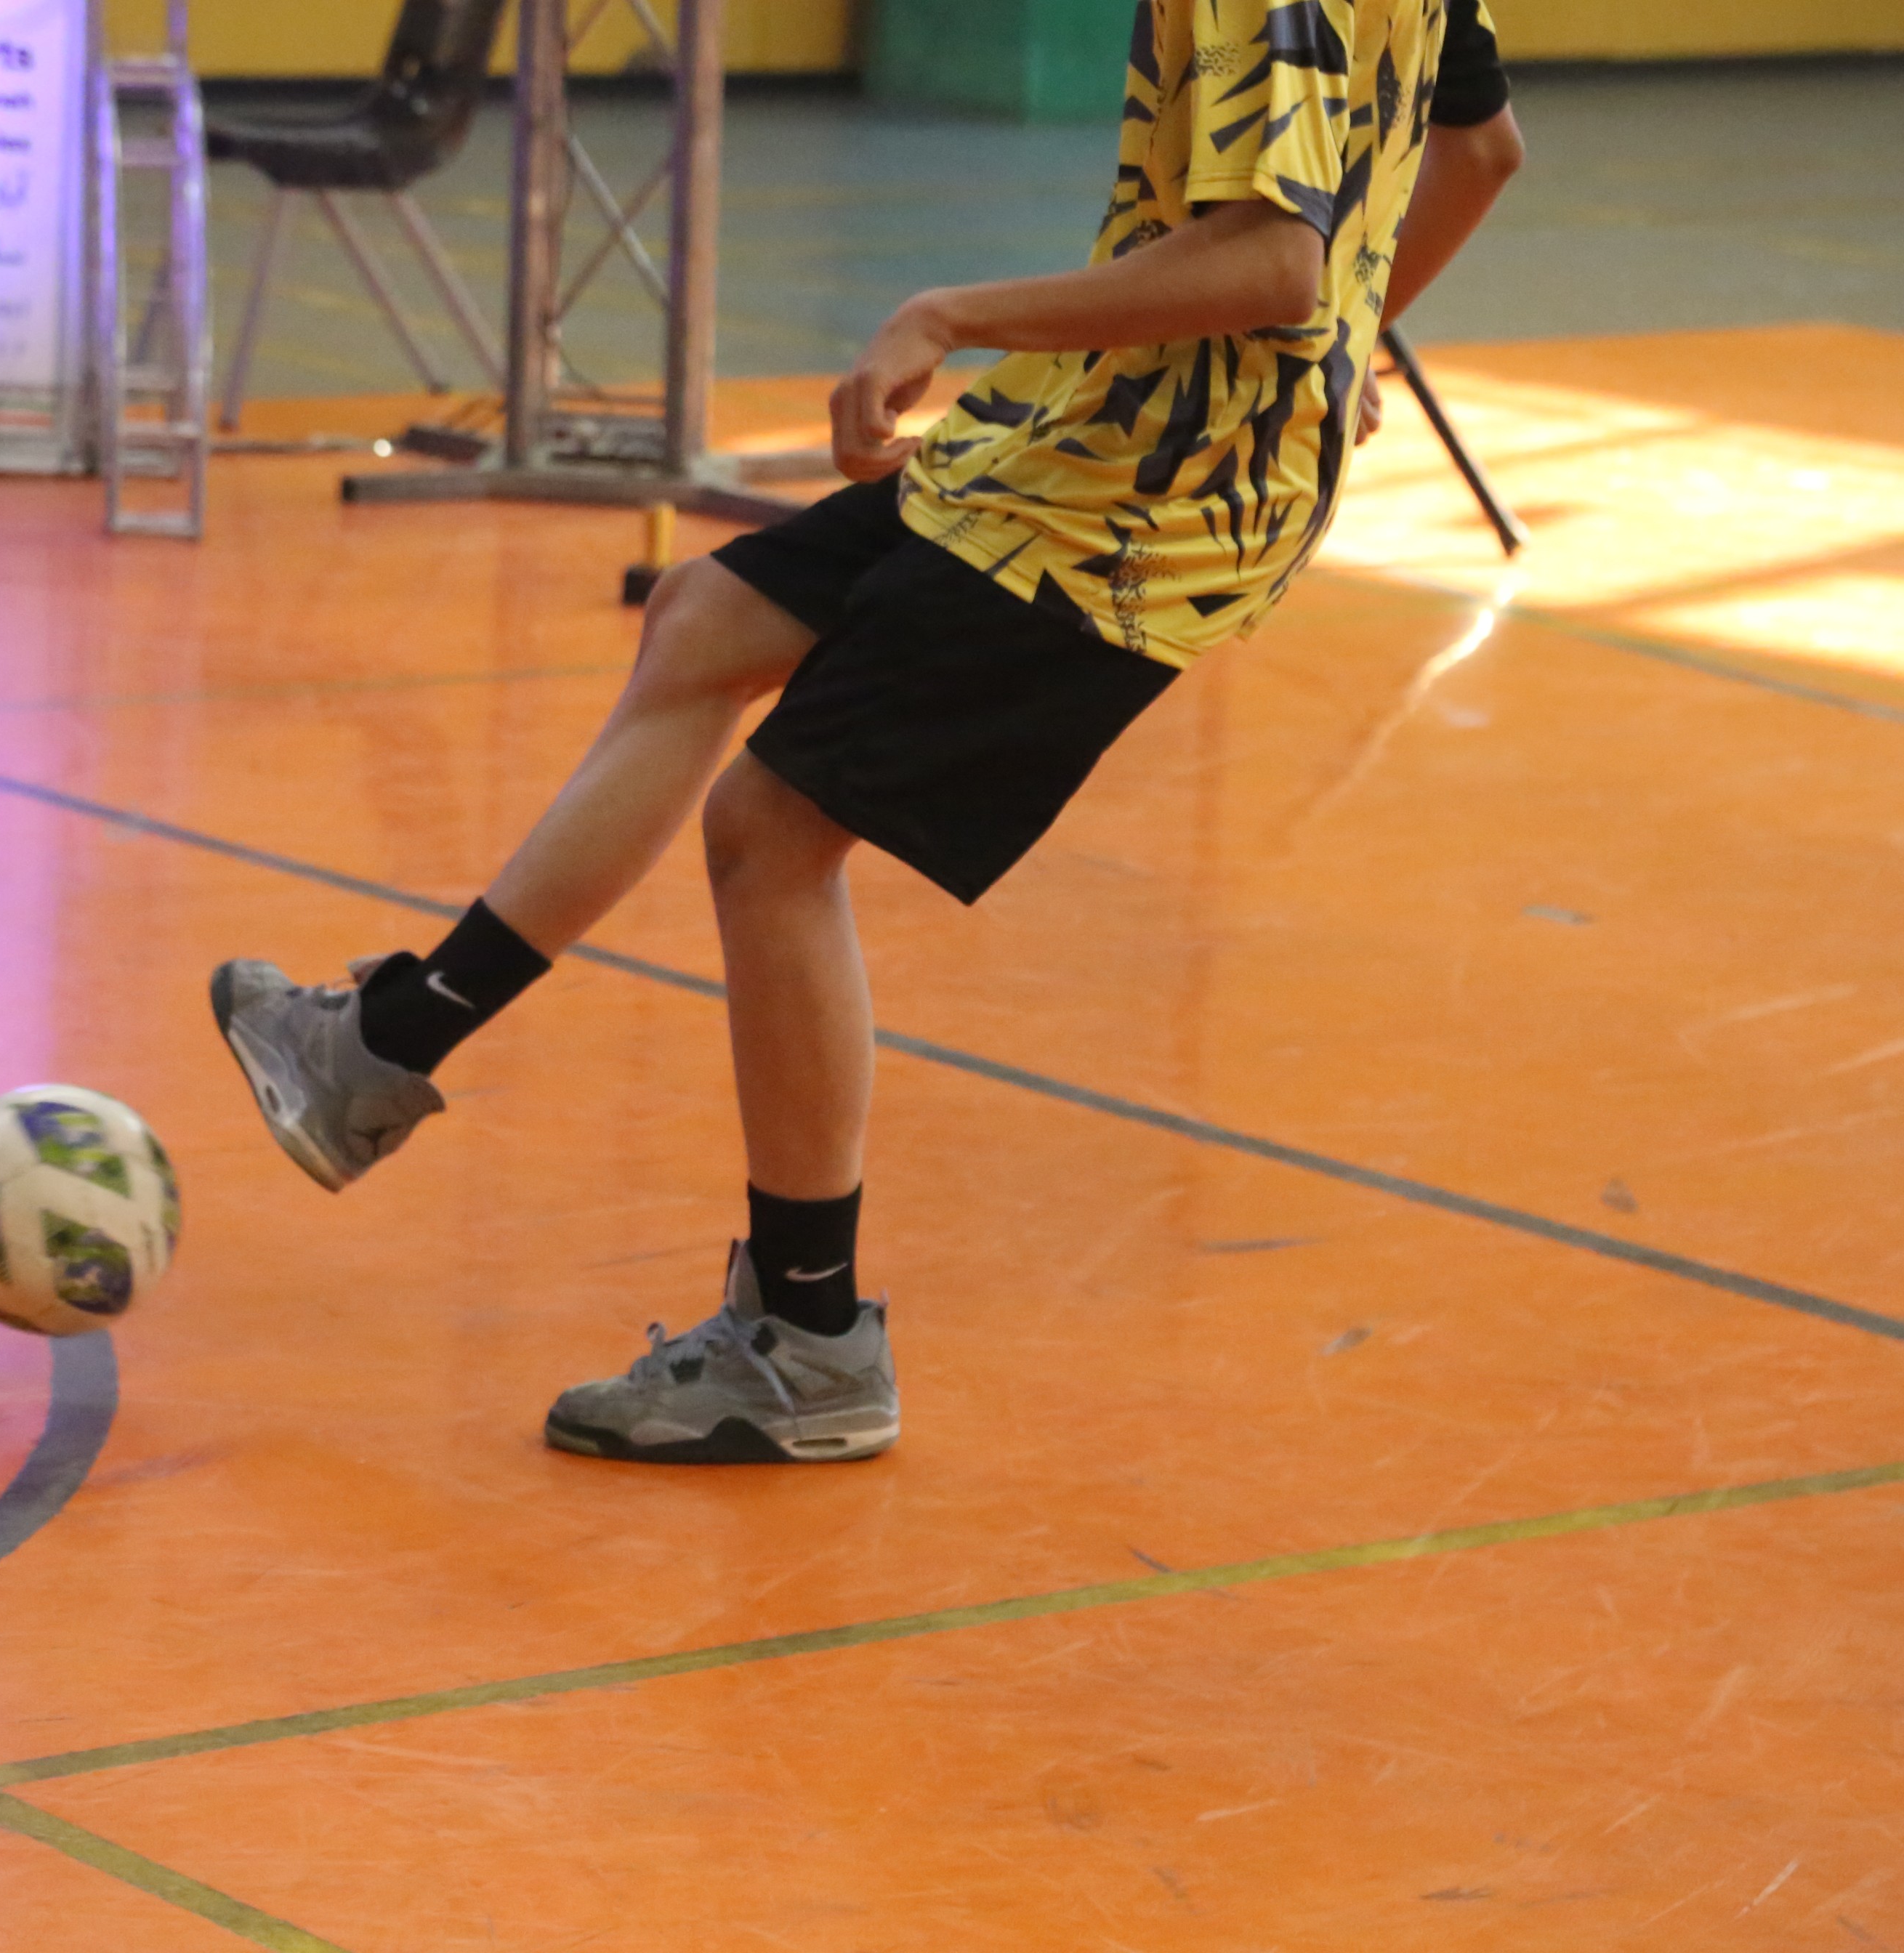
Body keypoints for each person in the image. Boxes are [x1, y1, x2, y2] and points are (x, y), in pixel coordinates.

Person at [211, 0, 1522, 1464]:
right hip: (1084, 434)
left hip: (1140, 511)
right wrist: (1344, 354)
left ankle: (810, 1340)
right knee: (705, 618)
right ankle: (379, 1051)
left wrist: (952, 315)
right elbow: (1480, 149)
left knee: (772, 838)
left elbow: (1274, 262)